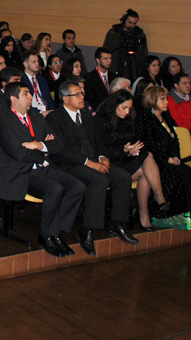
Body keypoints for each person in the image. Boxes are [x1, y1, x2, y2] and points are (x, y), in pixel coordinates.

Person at [0, 83, 85, 258]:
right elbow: (19, 154)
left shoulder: (36, 117)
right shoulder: (4, 122)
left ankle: (54, 231)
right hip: (21, 172)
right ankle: (48, 235)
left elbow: (57, 144)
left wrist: (38, 145)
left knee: (77, 186)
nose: (30, 97)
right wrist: (44, 150)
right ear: (13, 98)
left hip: (43, 167)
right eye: (26, 94)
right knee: (54, 189)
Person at [46, 81, 138, 256]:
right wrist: (89, 162)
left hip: (94, 160)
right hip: (71, 164)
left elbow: (99, 141)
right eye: (78, 94)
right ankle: (87, 230)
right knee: (99, 180)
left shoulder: (87, 116)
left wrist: (103, 158)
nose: (83, 97)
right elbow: (61, 150)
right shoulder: (55, 118)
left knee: (123, 177)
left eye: (82, 93)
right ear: (66, 99)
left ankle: (117, 223)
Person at [96, 90, 170, 231]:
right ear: (114, 105)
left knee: (146, 158)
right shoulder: (100, 121)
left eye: (129, 108)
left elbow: (133, 140)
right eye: (124, 108)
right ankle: (155, 203)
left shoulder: (128, 118)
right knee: (146, 166)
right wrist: (124, 150)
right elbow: (102, 151)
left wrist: (133, 149)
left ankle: (147, 213)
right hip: (111, 163)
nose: (127, 112)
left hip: (125, 159)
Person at [135, 86, 191, 228]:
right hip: (154, 161)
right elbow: (147, 145)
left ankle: (179, 217)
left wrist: (175, 157)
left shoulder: (166, 116)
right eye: (162, 99)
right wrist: (166, 159)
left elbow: (175, 139)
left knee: (189, 175)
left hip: (170, 159)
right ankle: (162, 215)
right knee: (174, 176)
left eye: (166, 98)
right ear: (152, 100)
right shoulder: (144, 117)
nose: (166, 102)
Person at [103, 8, 148, 80]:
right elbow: (106, 50)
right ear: (124, 20)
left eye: (134, 23)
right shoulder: (113, 33)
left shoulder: (140, 35)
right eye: (130, 22)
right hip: (115, 68)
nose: (132, 26)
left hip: (131, 71)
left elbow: (143, 54)